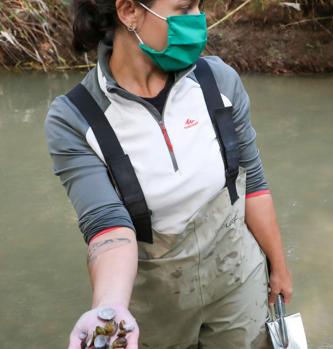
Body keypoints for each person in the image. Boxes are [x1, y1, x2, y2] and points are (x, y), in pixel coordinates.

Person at [44, 0, 292, 348]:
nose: (199, 22)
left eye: (199, 7)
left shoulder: (218, 81)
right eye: (184, 9)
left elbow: (253, 185)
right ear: (129, 11)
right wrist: (111, 307)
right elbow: (107, 225)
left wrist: (279, 268)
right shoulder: (75, 119)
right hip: (155, 307)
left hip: (238, 282)